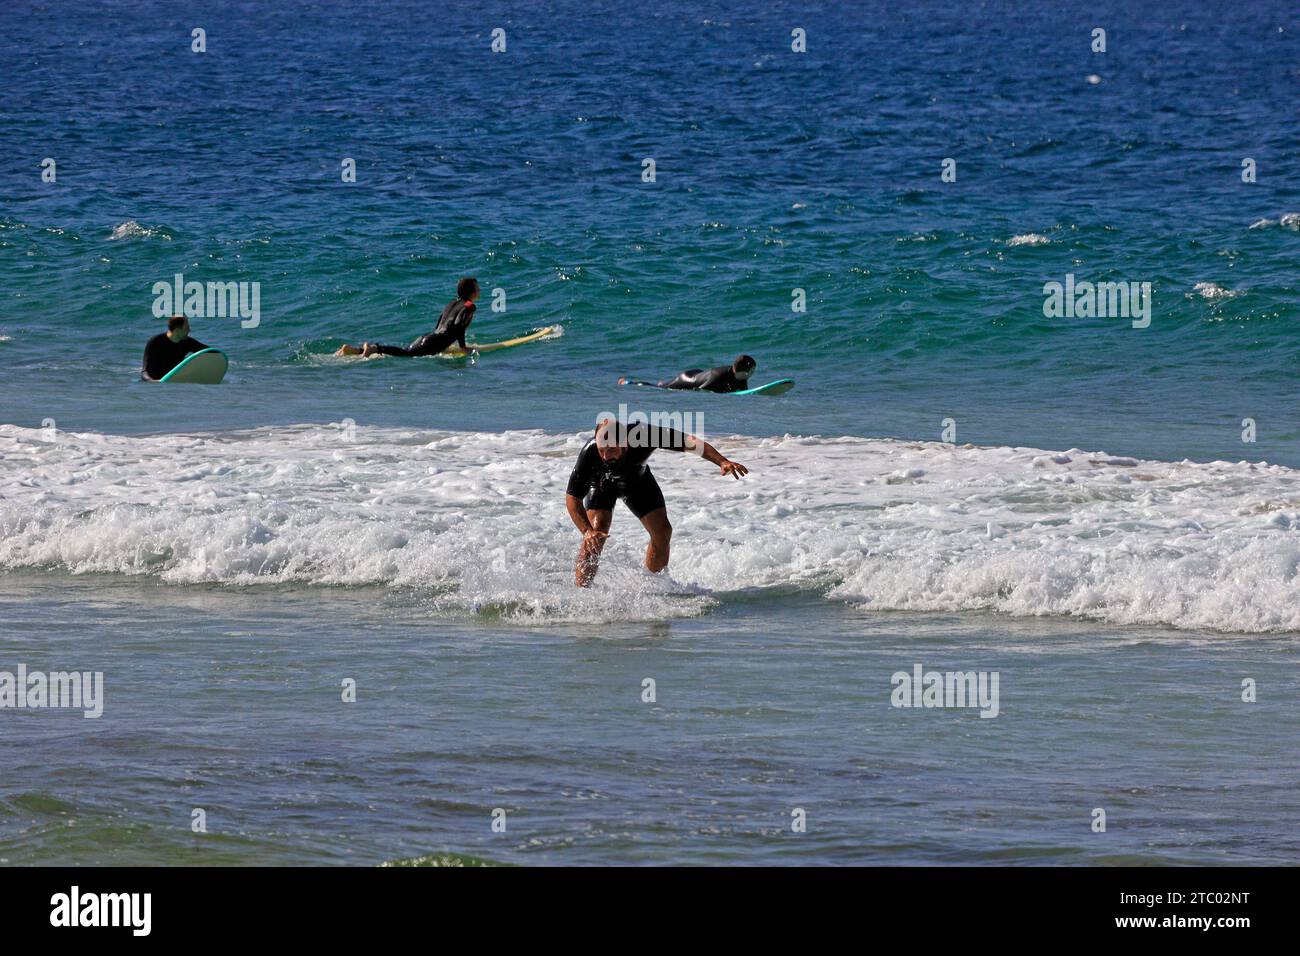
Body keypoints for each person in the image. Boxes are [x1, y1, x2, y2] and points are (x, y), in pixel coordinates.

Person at [565, 418, 748, 587]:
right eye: (601, 449)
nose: (605, 456)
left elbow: (690, 442)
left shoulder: (644, 435)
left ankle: (653, 586)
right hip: (601, 486)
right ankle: (582, 591)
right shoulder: (590, 452)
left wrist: (722, 461)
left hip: (637, 483)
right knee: (595, 535)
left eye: (611, 449)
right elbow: (572, 498)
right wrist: (587, 531)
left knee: (663, 532)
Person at [334, 277, 481, 358]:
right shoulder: (469, 306)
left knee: (404, 351)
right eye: (477, 287)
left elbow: (440, 324)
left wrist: (442, 344)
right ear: (471, 292)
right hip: (434, 342)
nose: (479, 289)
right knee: (406, 354)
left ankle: (354, 350)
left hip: (429, 337)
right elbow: (458, 325)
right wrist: (463, 348)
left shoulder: (451, 303)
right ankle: (374, 347)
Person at [619, 354, 757, 393]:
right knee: (661, 388)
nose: (753, 373)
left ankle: (662, 382)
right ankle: (630, 383)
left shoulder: (741, 377)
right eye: (752, 371)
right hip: (688, 379)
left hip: (699, 374)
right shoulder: (718, 377)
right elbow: (700, 389)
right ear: (744, 371)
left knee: (663, 385)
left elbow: (743, 390)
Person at [141, 315, 210, 381]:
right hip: (156, 383)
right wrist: (153, 382)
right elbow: (144, 372)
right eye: (186, 328)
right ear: (177, 330)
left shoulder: (187, 342)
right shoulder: (155, 342)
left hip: (173, 383)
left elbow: (209, 351)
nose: (189, 330)